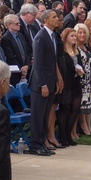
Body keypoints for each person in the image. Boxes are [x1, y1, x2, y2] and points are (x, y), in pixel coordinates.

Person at [29, 9, 60, 156]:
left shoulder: (52, 35)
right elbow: (39, 64)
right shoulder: (41, 37)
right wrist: (43, 84)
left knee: (45, 114)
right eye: (54, 17)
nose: (57, 19)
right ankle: (35, 144)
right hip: (41, 84)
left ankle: (42, 142)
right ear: (45, 20)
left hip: (50, 81)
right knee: (38, 115)